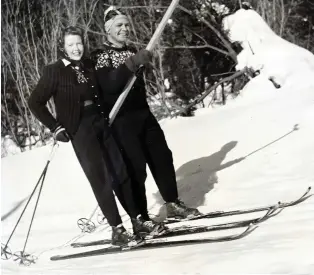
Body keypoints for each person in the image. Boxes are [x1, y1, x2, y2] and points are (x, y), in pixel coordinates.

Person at [28, 26, 165, 246]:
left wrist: (132, 68)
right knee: (100, 178)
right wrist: (55, 127)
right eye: (70, 44)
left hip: (102, 122)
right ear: (62, 47)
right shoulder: (54, 71)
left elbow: (110, 85)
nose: (76, 48)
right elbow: (35, 102)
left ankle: (137, 220)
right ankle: (117, 230)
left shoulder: (89, 64)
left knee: (121, 171)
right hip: (80, 129)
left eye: (79, 43)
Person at [91, 7, 201, 234]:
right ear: (108, 28)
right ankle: (140, 218)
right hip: (121, 119)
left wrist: (138, 61)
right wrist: (131, 64)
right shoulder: (100, 55)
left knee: (162, 156)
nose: (124, 29)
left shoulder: (131, 49)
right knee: (135, 168)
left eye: (126, 25)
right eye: (119, 25)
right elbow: (110, 85)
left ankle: (172, 203)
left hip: (143, 113)